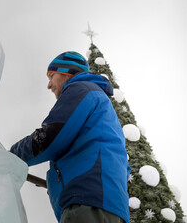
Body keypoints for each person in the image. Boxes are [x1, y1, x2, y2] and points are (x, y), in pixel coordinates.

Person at [10, 51, 130, 223]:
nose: (49, 85)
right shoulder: (101, 105)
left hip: (87, 204)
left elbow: (50, 137)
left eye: (51, 76)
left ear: (67, 72)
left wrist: (10, 157)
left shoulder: (80, 89)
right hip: (111, 209)